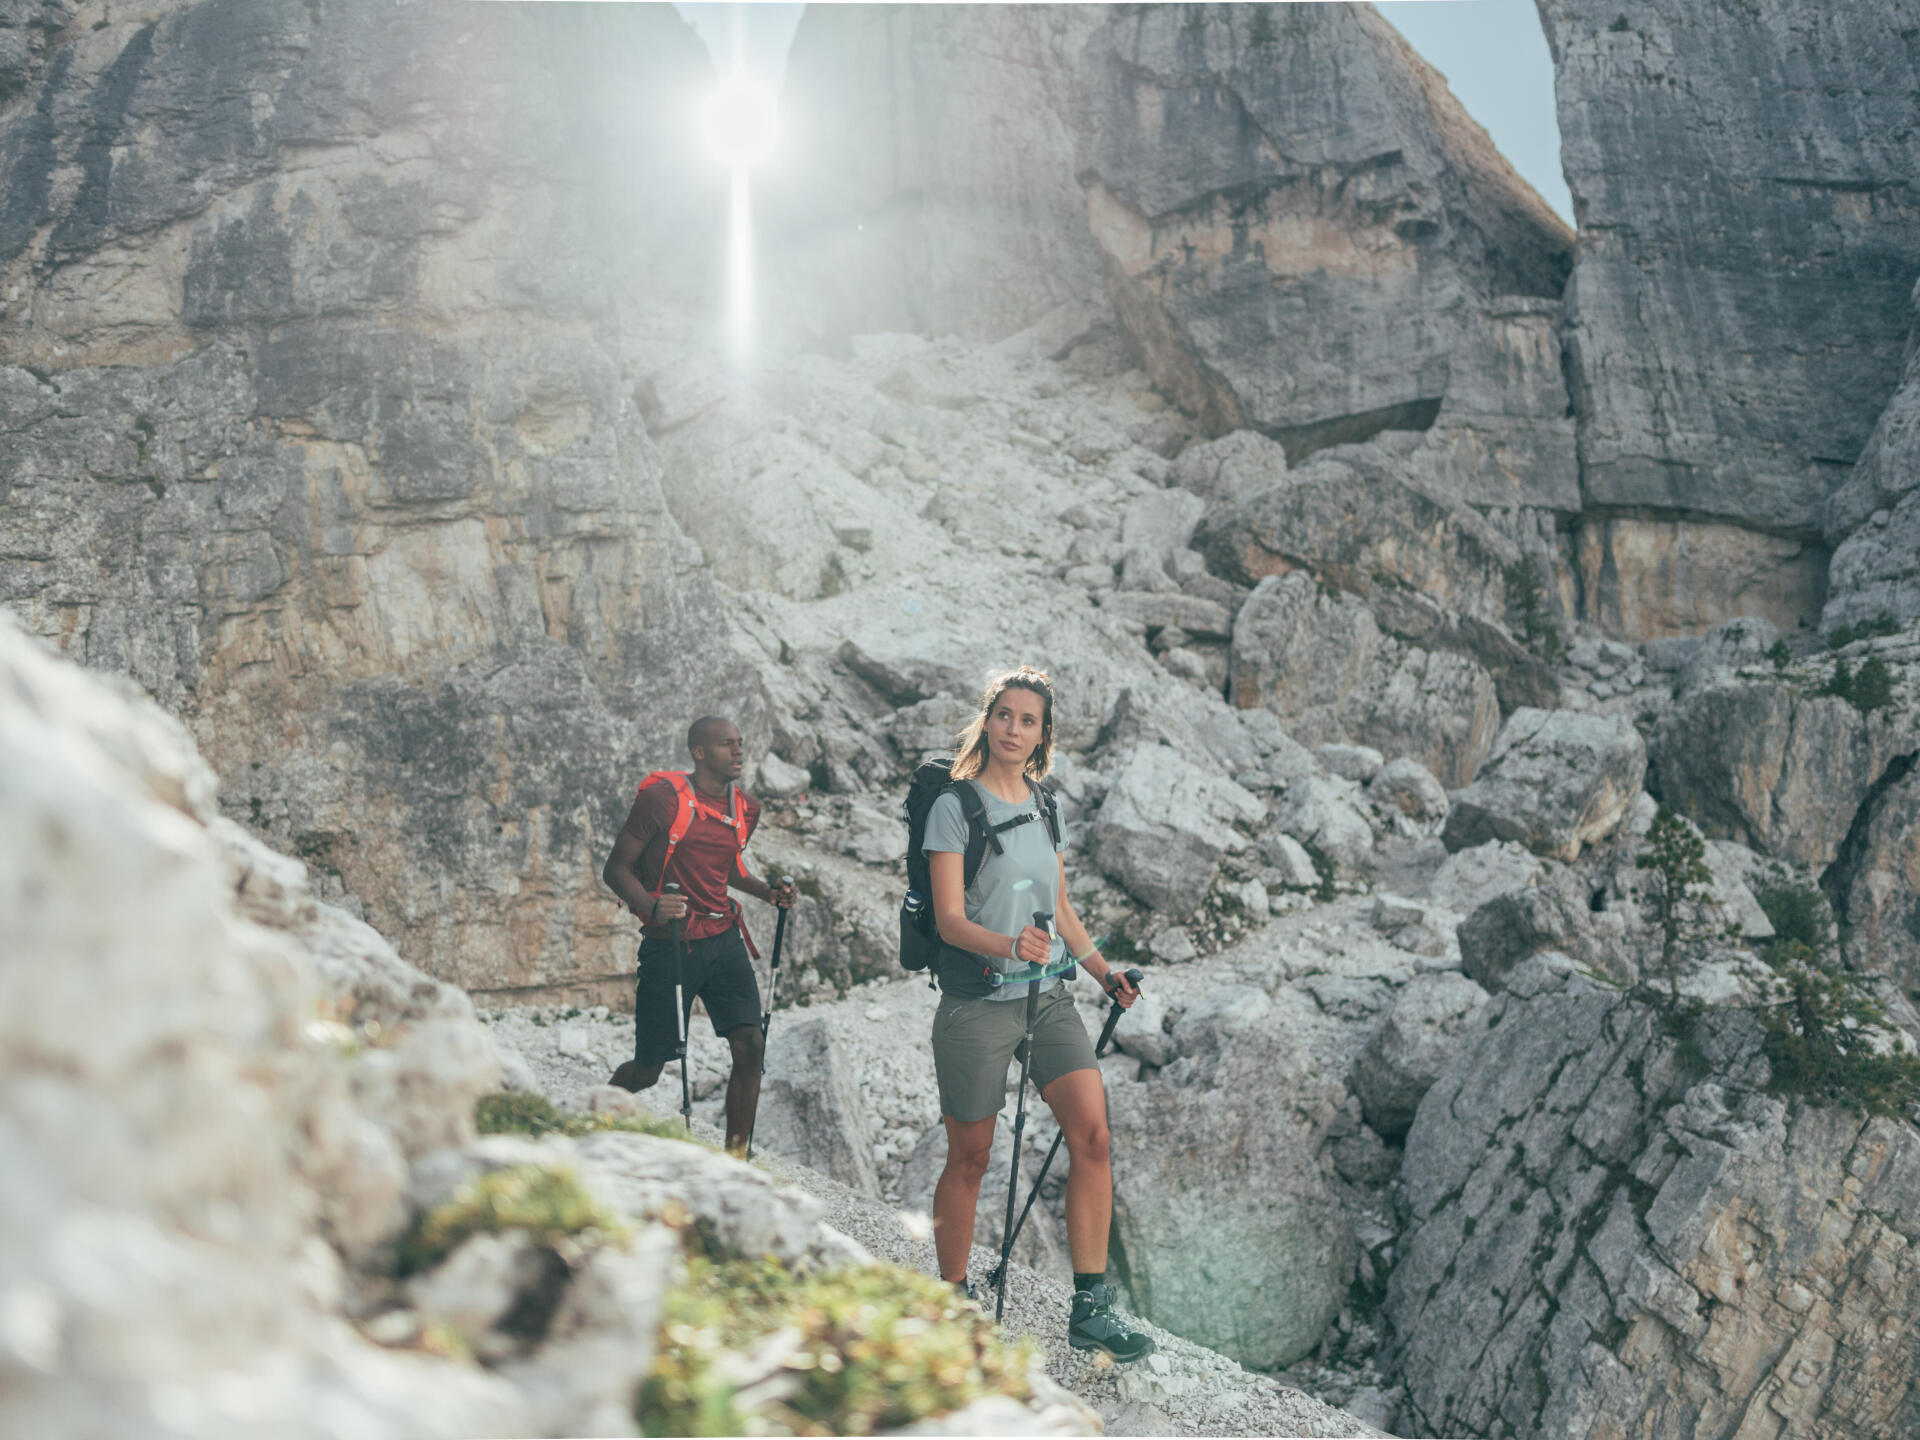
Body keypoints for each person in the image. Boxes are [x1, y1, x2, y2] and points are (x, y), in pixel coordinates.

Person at [924, 666, 1156, 1362]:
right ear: (987, 721)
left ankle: (1089, 1308)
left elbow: (1059, 907)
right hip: (977, 1004)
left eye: (1028, 721)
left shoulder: (1045, 804)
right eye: (1004, 715)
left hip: (1047, 998)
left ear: (1041, 735)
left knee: (1093, 1138)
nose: (1013, 730)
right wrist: (1007, 946)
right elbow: (947, 920)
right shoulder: (953, 807)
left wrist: (1101, 971)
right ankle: (952, 1299)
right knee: (970, 1159)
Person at [603, 714, 796, 1154]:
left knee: (750, 1047)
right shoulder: (661, 800)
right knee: (649, 1070)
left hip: (724, 940)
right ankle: (591, 1119)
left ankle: (735, 1161)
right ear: (699, 752)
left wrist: (769, 893)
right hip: (669, 945)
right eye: (727, 744)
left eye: (741, 743)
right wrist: (652, 905)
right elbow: (615, 868)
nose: (738, 751)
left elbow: (723, 867)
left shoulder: (746, 807)